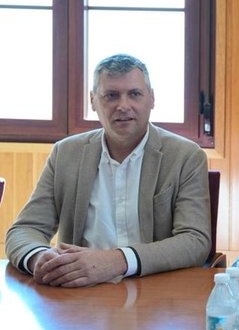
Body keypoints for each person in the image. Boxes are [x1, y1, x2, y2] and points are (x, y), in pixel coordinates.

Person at [5, 54, 210, 287]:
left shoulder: (185, 156)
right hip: (78, 290)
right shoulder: (66, 153)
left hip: (154, 289)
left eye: (134, 94)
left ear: (151, 98)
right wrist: (39, 257)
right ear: (93, 101)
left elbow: (195, 240)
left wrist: (118, 260)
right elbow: (25, 229)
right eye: (111, 95)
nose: (123, 106)